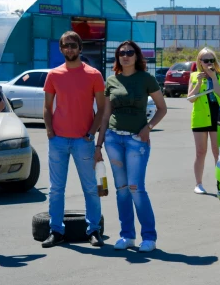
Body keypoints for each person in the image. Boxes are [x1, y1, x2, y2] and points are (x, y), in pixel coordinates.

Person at [95, 40, 167, 253]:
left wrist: (149, 127)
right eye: (121, 53)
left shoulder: (146, 79)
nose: (125, 56)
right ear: (117, 57)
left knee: (136, 188)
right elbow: (106, 115)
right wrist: (99, 145)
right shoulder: (111, 80)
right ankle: (127, 235)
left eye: (129, 52)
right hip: (113, 140)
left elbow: (162, 108)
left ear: (136, 56)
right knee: (122, 189)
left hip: (137, 140)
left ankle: (149, 237)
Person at [42, 31, 106, 248]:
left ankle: (94, 231)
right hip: (58, 140)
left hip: (83, 141)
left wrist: (91, 133)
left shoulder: (94, 74)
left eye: (73, 45)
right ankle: (56, 231)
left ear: (80, 48)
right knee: (56, 189)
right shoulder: (53, 75)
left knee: (90, 188)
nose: (69, 49)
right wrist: (50, 131)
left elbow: (102, 109)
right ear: (61, 49)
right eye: (65, 46)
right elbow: (47, 107)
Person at [188, 47, 220, 194]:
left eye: (212, 60)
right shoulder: (194, 76)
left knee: (217, 151)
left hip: (218, 116)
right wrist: (198, 83)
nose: (209, 63)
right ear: (200, 62)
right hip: (200, 118)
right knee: (200, 152)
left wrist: (214, 77)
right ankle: (198, 183)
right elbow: (191, 99)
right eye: (206, 60)